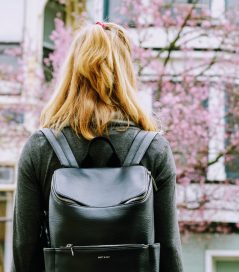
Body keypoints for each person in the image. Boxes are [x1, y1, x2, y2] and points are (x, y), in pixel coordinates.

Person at [12, 22, 183, 272]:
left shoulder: (41, 148)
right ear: (126, 74)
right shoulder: (153, 149)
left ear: (71, 73)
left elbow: (24, 248)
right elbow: (168, 249)